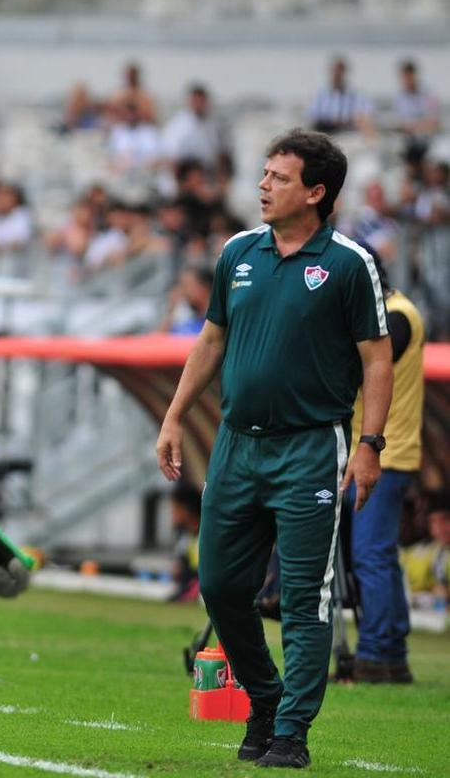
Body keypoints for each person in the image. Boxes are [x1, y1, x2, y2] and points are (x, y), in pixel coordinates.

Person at [155, 129, 392, 769]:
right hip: (236, 447)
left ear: (316, 192)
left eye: (278, 178)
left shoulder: (348, 263)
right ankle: (265, 695)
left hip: (311, 450)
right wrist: (175, 417)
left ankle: (290, 734)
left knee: (304, 598)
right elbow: (210, 342)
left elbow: (378, 358)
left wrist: (370, 444)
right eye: (263, 174)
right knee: (221, 586)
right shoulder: (237, 253)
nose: (262, 186)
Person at [346, 253, 424, 683]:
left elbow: (363, 366)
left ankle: (376, 652)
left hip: (383, 453)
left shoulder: (396, 317)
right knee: (378, 556)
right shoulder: (399, 310)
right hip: (387, 452)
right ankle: (390, 652)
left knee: (370, 556)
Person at [162, 84, 229, 171]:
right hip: (186, 172)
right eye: (196, 101)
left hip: (207, 171)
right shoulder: (179, 124)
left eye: (201, 102)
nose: (198, 105)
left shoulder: (212, 124)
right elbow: (170, 155)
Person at [307, 56, 375, 136]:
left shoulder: (356, 94)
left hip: (348, 131)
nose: (336, 75)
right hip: (326, 130)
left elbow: (365, 114)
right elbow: (312, 115)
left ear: (344, 73)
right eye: (335, 72)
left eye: (339, 72)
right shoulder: (320, 94)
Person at [158, 265, 214, 335]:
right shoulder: (189, 322)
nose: (182, 292)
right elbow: (158, 339)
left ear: (204, 287)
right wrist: (171, 309)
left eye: (186, 286)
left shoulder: (219, 322)